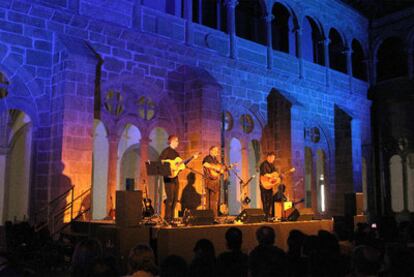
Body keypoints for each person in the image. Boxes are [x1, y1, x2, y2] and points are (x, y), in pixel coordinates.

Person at [159, 135, 198, 222]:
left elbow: (181, 165)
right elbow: (161, 161)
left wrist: (192, 157)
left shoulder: (176, 154)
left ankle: (172, 218)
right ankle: (167, 218)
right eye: (176, 141)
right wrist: (171, 165)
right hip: (168, 178)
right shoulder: (166, 151)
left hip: (175, 177)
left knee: (175, 198)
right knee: (170, 198)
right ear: (172, 141)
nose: (178, 142)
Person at [202, 146, 222, 217]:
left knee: (214, 201)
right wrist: (214, 167)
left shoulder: (216, 160)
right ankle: (210, 216)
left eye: (217, 151)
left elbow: (219, 169)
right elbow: (205, 164)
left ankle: (214, 216)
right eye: (215, 150)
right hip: (210, 181)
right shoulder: (207, 158)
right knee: (210, 201)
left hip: (215, 182)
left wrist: (221, 170)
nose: (217, 152)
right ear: (211, 151)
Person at [259, 152, 279, 218]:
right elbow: (264, 174)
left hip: (269, 186)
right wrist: (270, 176)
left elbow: (275, 173)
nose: (273, 159)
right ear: (268, 157)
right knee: (265, 201)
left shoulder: (272, 165)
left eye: (274, 158)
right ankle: (265, 215)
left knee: (270, 200)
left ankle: (267, 214)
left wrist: (276, 176)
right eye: (272, 158)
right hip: (264, 185)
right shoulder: (263, 164)